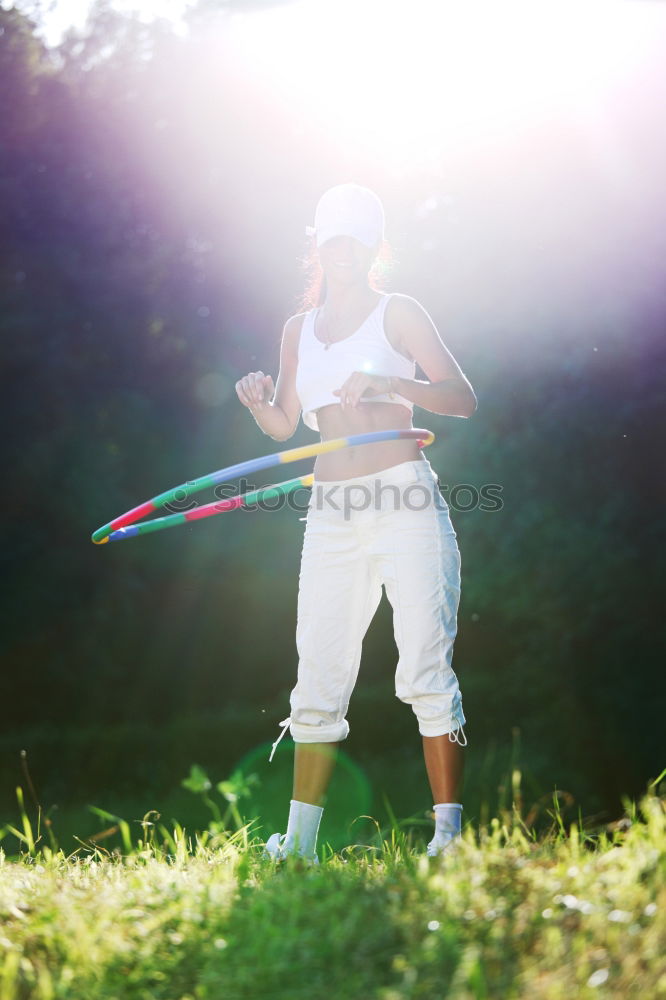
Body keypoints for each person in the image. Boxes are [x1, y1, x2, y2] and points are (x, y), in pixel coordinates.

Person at [235, 183, 477, 862]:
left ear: (374, 247)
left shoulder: (399, 313)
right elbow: (287, 425)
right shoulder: (296, 331)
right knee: (317, 674)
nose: (342, 251)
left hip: (403, 499)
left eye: (355, 240)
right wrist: (258, 403)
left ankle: (449, 838)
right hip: (332, 513)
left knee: (425, 668)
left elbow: (462, 398)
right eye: (331, 239)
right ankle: (301, 846)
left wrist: (390, 383)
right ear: (316, 245)